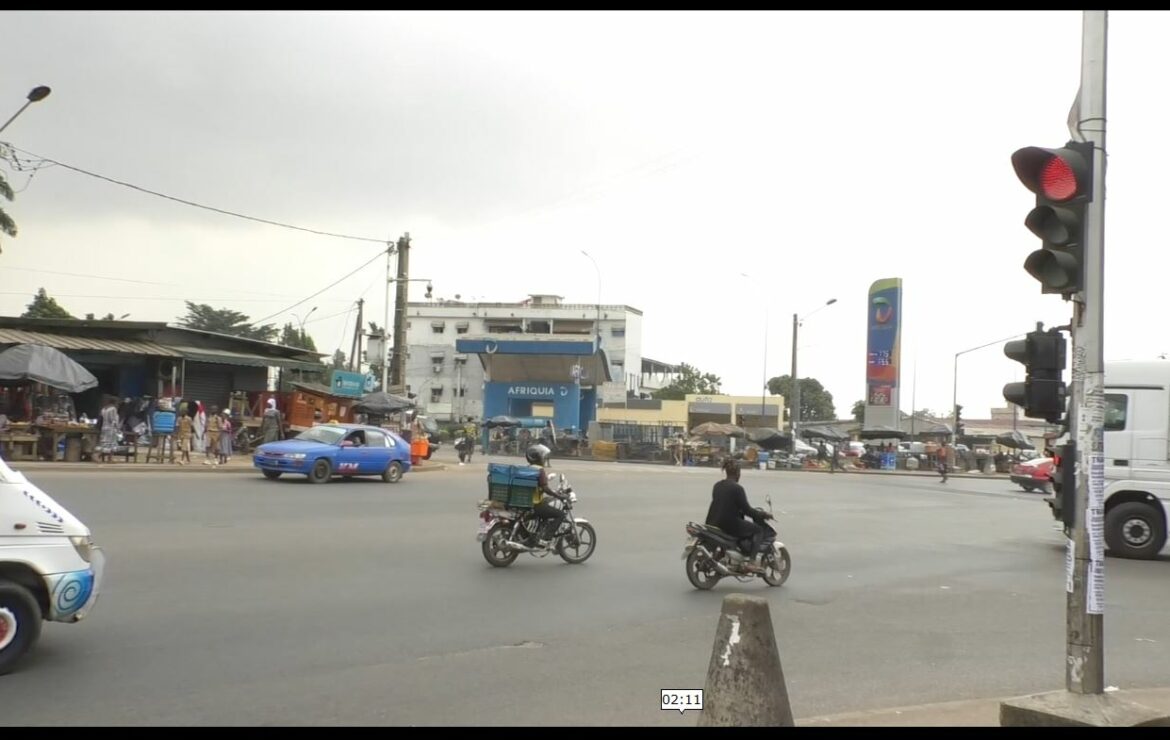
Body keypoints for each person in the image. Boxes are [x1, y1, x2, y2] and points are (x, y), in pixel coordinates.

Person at [705, 458, 771, 574]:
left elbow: (725, 504)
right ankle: (751, 562)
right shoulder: (737, 488)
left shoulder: (717, 485)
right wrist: (762, 515)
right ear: (738, 473)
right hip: (729, 524)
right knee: (758, 530)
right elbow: (747, 510)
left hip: (713, 521)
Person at [526, 443, 569, 544]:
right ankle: (546, 538)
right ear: (538, 458)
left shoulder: (528, 468)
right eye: (543, 457)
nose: (544, 460)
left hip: (527, 502)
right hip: (535, 504)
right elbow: (545, 488)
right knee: (560, 515)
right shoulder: (539, 470)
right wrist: (559, 496)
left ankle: (538, 531)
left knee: (546, 505)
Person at [97, 396, 120, 463]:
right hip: (111, 428)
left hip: (104, 427)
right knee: (111, 443)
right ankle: (98, 455)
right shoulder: (113, 409)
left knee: (104, 443)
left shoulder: (104, 409)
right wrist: (117, 427)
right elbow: (113, 420)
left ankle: (109, 458)